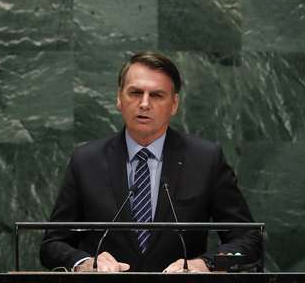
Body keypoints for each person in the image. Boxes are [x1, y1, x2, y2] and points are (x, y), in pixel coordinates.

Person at [39, 51, 261, 273]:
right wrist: (84, 263)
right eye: (135, 93)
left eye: (156, 95)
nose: (144, 104)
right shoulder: (86, 161)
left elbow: (249, 240)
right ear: (119, 98)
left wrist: (205, 263)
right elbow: (52, 245)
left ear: (174, 104)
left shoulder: (205, 160)